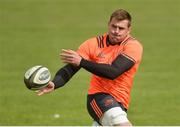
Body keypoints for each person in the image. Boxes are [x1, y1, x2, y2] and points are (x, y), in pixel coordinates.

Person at [37, 9, 143, 126]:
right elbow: (71, 68)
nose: (116, 31)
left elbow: (114, 71)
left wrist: (82, 62)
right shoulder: (93, 44)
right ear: (108, 25)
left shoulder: (133, 46)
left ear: (129, 30)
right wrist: (55, 83)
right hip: (98, 97)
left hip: (121, 101)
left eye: (121, 28)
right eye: (114, 26)